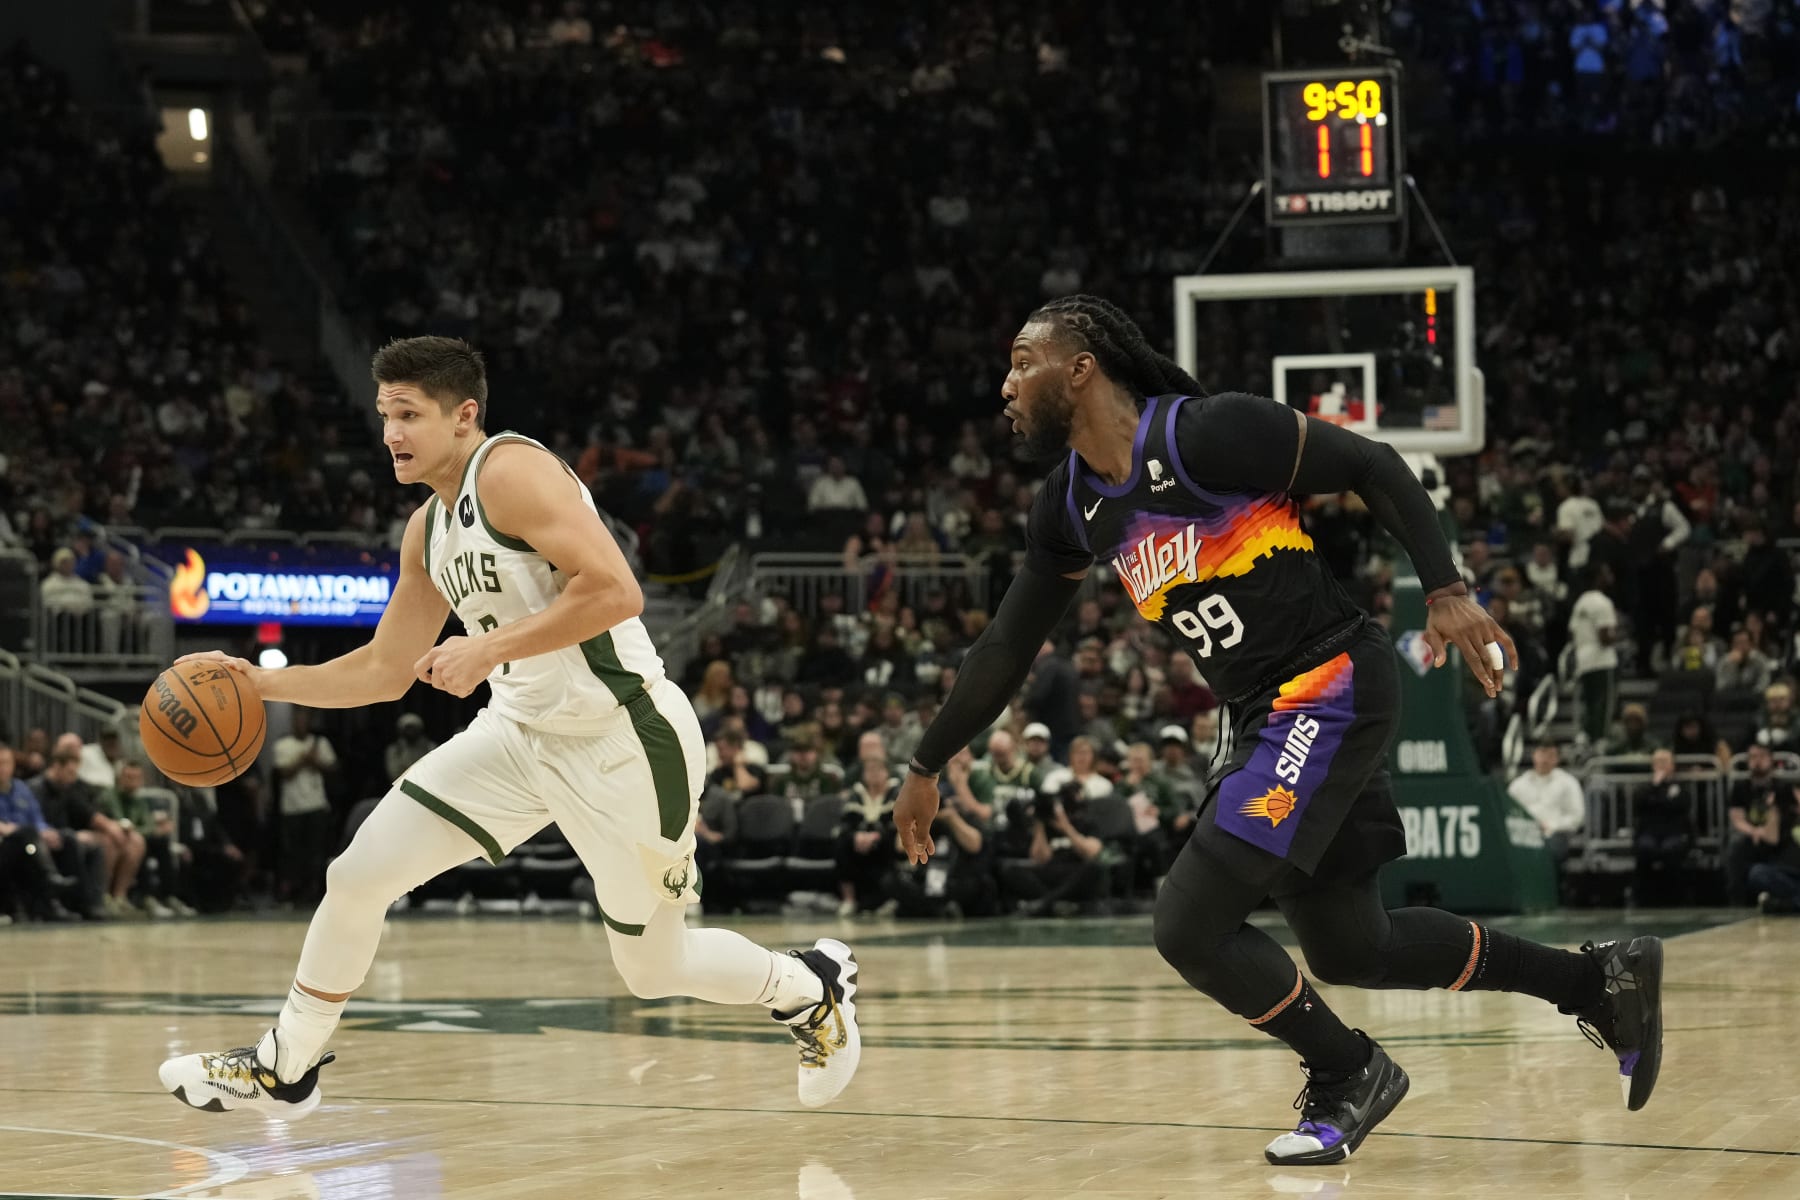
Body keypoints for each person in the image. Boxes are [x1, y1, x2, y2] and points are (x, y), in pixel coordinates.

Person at [891, 296, 1663, 1166]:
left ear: (1081, 368)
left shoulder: (1205, 435)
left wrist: (1445, 588)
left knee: (1187, 923)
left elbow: (1373, 463)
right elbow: (1004, 646)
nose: (1006, 383)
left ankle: (1349, 1071)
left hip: (1329, 682)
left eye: (1023, 360)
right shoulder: (1069, 505)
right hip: (1267, 712)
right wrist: (926, 761)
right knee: (1352, 945)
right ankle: (1597, 980)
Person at [158, 336, 860, 1120]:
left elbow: (616, 591)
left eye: (409, 414)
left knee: (653, 970)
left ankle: (807, 988)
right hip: (519, 735)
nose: (391, 432)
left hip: (623, 737)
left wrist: (486, 647)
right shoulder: (425, 530)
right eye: (385, 413)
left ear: (464, 417)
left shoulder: (511, 471)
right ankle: (285, 1068)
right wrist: (258, 682)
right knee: (357, 876)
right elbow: (387, 669)